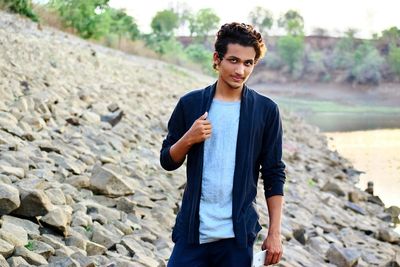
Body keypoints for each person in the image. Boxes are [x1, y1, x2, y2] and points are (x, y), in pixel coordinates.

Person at [160, 22, 286, 267]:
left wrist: (274, 232)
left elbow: (273, 173)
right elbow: (167, 160)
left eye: (248, 63)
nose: (240, 70)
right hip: (193, 233)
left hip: (236, 239)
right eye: (233, 60)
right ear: (217, 59)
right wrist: (189, 138)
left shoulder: (265, 110)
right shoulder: (191, 103)